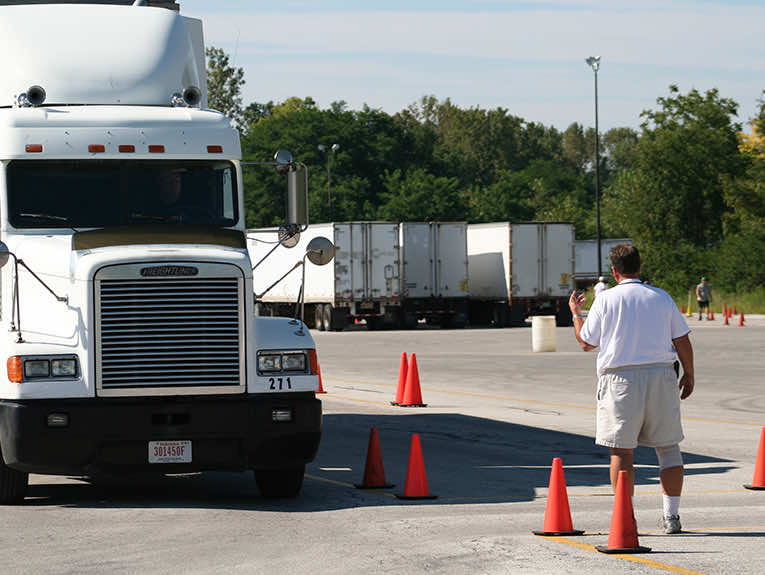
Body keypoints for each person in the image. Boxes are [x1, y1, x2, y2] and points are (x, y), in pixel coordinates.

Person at [569, 243, 695, 534]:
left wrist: (577, 313)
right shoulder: (661, 297)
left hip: (621, 379)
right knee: (668, 447)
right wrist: (689, 373)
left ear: (615, 271)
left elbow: (587, 342)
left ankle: (627, 517)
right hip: (661, 375)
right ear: (639, 267)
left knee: (622, 452)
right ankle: (672, 516)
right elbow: (682, 339)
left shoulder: (606, 300)